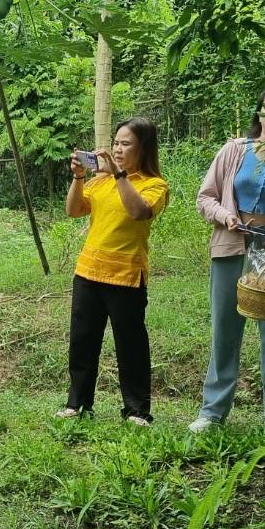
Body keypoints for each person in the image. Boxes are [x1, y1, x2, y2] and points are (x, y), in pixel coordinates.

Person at [191, 84, 265, 438]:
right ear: (259, 112)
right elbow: (205, 197)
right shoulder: (234, 151)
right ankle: (212, 412)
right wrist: (225, 215)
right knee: (224, 330)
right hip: (231, 246)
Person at [59, 117, 169, 425]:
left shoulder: (154, 185)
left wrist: (119, 175)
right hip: (88, 272)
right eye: (116, 143)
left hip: (126, 276)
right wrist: (80, 177)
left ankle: (137, 411)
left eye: (126, 144)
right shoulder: (99, 181)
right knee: (82, 342)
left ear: (143, 148)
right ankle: (78, 404)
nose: (118, 150)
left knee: (130, 345)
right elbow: (73, 210)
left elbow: (138, 212)